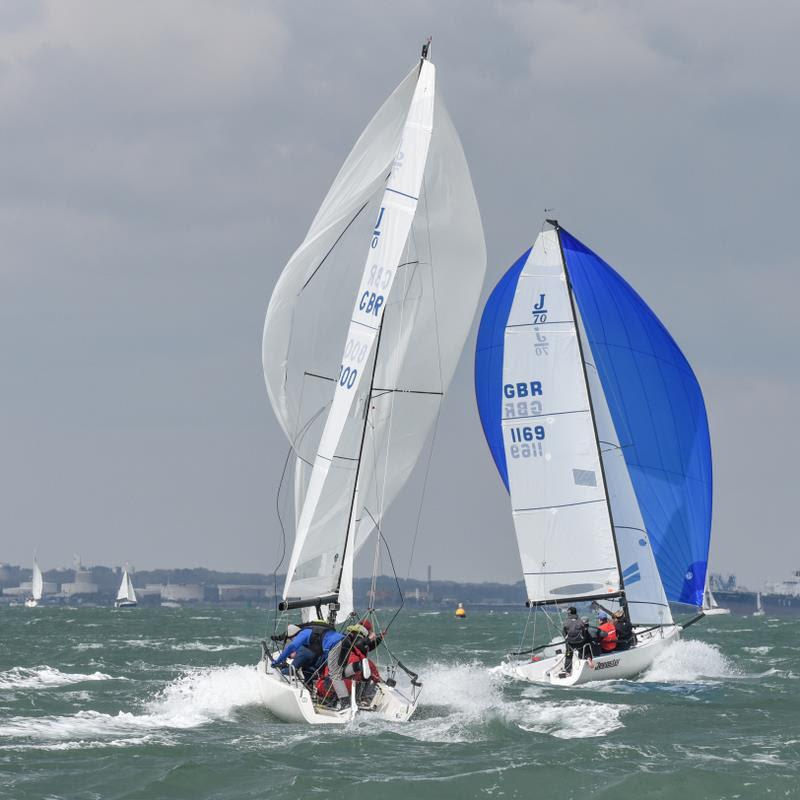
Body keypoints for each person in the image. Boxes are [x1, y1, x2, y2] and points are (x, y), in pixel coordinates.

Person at [271, 621, 343, 687]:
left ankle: (313, 688)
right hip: (342, 640)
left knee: (332, 675)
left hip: (333, 646)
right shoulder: (310, 633)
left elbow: (292, 647)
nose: (292, 641)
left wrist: (278, 664)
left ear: (294, 636)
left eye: (291, 639)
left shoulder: (303, 640)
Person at [562, 606, 591, 674]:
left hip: (570, 642)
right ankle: (584, 662)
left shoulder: (566, 622)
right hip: (580, 642)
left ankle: (568, 670)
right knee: (584, 651)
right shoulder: (580, 621)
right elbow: (584, 631)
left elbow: (564, 631)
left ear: (569, 613)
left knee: (568, 655)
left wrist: (566, 638)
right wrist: (583, 638)